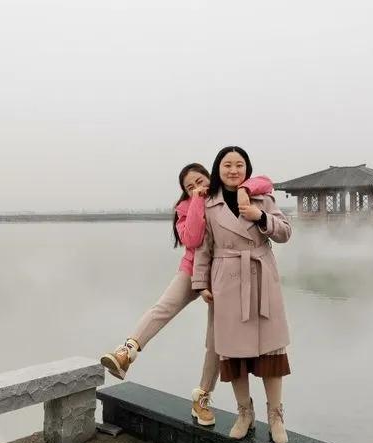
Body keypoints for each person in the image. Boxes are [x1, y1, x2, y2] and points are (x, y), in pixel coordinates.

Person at [100, 162, 273, 426]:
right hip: (192, 270)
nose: (196, 188)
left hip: (224, 276)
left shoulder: (225, 194)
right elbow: (192, 240)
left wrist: (243, 189)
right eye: (189, 186)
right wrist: (196, 201)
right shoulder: (184, 208)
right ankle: (126, 352)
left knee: (216, 340)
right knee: (163, 307)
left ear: (210, 177)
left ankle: (202, 397)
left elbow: (265, 182)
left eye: (200, 181)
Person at [192, 146, 292, 443]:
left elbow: (285, 233)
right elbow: (204, 246)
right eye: (227, 165)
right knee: (233, 351)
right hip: (227, 281)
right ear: (218, 169)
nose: (233, 170)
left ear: (247, 168)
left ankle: (275, 416)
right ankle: (244, 413)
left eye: (239, 165)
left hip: (261, 278)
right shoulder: (209, 204)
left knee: (271, 351)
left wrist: (260, 216)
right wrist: (200, 282)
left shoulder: (264, 199)